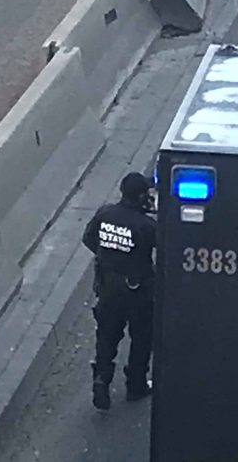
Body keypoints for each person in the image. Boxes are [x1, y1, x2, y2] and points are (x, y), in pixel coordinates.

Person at [82, 171, 156, 411]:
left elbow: (88, 239)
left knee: (106, 336)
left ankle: (101, 380)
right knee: (142, 339)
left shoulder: (105, 213)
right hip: (137, 292)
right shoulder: (146, 225)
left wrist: (109, 258)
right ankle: (136, 385)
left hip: (107, 288)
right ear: (141, 195)